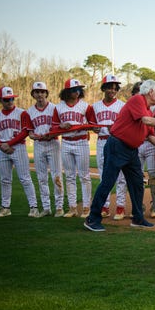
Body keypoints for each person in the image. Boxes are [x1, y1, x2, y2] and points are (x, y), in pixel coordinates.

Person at [84, 79, 155, 232]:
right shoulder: (137, 100)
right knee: (108, 182)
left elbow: (151, 137)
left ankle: (138, 218)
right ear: (150, 92)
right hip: (117, 146)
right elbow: (146, 120)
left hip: (131, 150)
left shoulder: (148, 110)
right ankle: (92, 219)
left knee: (137, 184)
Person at [0, 86, 40, 218]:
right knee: (5, 180)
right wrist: (2, 145)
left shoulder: (22, 113)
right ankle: (5, 208)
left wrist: (9, 144)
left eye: (11, 98)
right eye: (6, 99)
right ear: (0, 100)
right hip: (2, 150)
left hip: (18, 148)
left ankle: (33, 207)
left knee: (25, 179)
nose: (10, 101)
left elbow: (25, 131)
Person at [52, 78, 97, 218]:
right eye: (73, 90)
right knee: (70, 176)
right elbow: (53, 126)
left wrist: (82, 126)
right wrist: (60, 126)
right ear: (67, 91)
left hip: (81, 141)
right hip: (66, 141)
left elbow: (93, 124)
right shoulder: (58, 107)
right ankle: (72, 208)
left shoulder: (85, 106)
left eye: (78, 89)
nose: (77, 92)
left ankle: (86, 207)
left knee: (84, 176)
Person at [26, 81, 65, 217]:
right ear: (33, 94)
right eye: (37, 92)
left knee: (56, 176)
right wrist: (33, 136)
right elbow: (29, 132)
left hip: (53, 143)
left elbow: (60, 128)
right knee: (41, 177)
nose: (40, 94)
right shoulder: (29, 111)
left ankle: (59, 207)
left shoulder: (54, 108)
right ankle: (46, 207)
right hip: (39, 145)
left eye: (42, 92)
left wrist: (52, 134)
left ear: (46, 93)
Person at [93, 74, 127, 220]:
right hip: (101, 141)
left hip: (117, 141)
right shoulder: (95, 106)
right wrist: (93, 128)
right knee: (103, 175)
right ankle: (104, 206)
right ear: (104, 88)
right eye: (109, 87)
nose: (112, 90)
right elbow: (92, 124)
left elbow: (126, 125)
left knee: (120, 176)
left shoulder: (122, 106)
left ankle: (120, 207)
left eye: (115, 88)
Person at [132, 81, 155, 218]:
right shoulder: (134, 103)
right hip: (137, 143)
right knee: (136, 176)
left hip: (151, 142)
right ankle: (138, 206)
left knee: (154, 176)